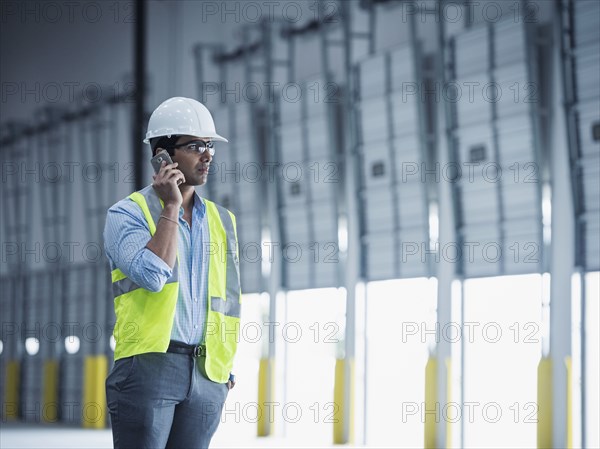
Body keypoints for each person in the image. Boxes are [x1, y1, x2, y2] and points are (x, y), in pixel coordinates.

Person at [103, 97, 242, 448]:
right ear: (163, 154)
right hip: (148, 367)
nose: (207, 155)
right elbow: (152, 275)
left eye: (210, 146)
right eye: (196, 146)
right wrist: (171, 207)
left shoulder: (223, 221)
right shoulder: (127, 214)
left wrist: (222, 370)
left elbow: (227, 300)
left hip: (207, 373)